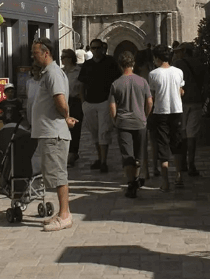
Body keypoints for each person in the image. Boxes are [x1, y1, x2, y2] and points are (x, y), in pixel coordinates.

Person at [30, 37, 78, 231]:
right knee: (54, 174)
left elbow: (60, 101)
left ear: (46, 53)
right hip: (49, 131)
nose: (33, 57)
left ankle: (65, 215)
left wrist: (65, 116)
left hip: (54, 133)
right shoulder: (48, 73)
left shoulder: (53, 73)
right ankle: (62, 212)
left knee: (58, 175)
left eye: (35, 53)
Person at [108, 50, 152, 198]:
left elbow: (112, 106)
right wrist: (145, 115)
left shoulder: (116, 84)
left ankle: (131, 183)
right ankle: (136, 178)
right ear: (133, 64)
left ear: (120, 65)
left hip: (123, 123)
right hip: (140, 121)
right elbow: (149, 102)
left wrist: (115, 120)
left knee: (127, 155)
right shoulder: (142, 81)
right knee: (138, 155)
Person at [147, 44, 186, 191]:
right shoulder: (178, 72)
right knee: (177, 144)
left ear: (157, 58)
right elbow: (181, 91)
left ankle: (165, 182)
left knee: (162, 146)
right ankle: (179, 176)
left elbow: (152, 95)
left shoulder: (153, 74)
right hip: (177, 110)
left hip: (160, 112)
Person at [77, 38, 119, 172]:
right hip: (89, 103)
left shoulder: (110, 62)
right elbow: (81, 84)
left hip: (105, 102)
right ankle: (99, 158)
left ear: (102, 48)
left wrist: (113, 100)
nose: (95, 50)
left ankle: (104, 162)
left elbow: (117, 81)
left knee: (104, 132)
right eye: (93, 48)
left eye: (97, 48)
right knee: (95, 133)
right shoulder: (87, 64)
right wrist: (83, 102)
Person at [173, 43, 206, 178]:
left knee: (182, 132)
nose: (177, 54)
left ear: (184, 51)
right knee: (192, 134)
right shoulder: (200, 64)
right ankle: (191, 164)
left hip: (181, 102)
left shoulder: (177, 64)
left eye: (178, 51)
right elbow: (205, 83)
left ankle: (182, 163)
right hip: (196, 101)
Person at [61, 48, 85, 166]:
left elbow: (82, 88)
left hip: (75, 101)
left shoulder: (78, 71)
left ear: (70, 59)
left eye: (63, 57)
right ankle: (66, 152)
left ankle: (73, 152)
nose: (61, 60)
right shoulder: (61, 72)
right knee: (64, 127)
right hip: (63, 101)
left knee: (75, 128)